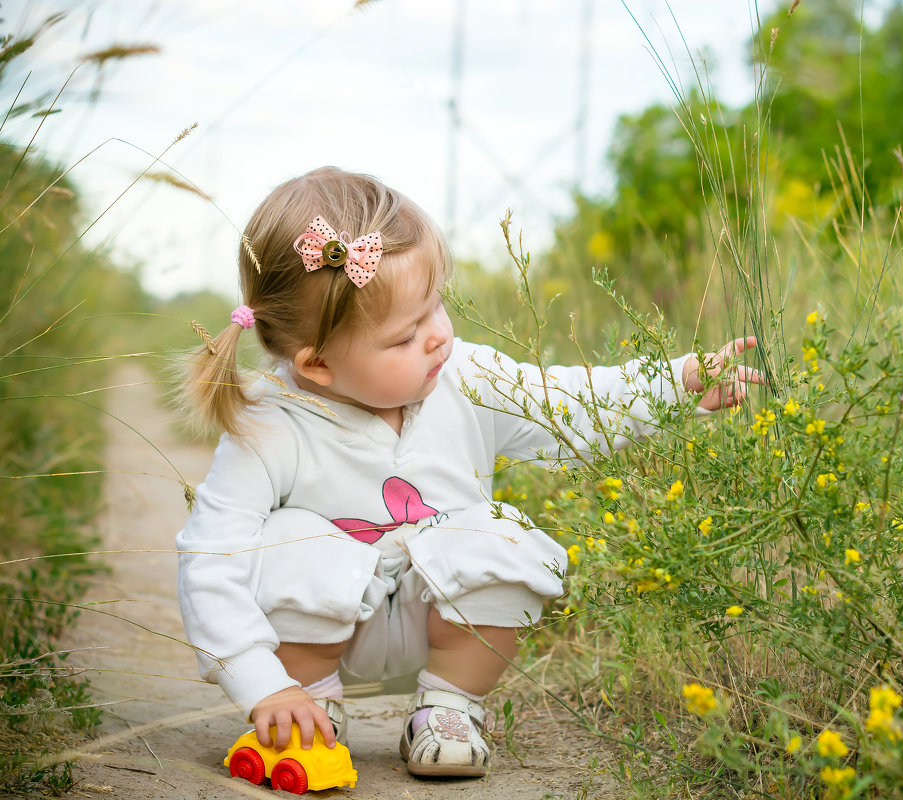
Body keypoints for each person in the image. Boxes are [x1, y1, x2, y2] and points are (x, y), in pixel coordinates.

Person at [176, 166, 760, 778]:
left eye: (437, 308)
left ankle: (450, 707)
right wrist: (261, 682)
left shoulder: (465, 379)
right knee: (282, 537)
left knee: (498, 529)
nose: (437, 339)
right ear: (317, 364)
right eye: (406, 336)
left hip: (445, 617)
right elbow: (211, 555)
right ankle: (309, 707)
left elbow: (566, 401)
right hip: (316, 635)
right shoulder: (270, 425)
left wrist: (677, 382)